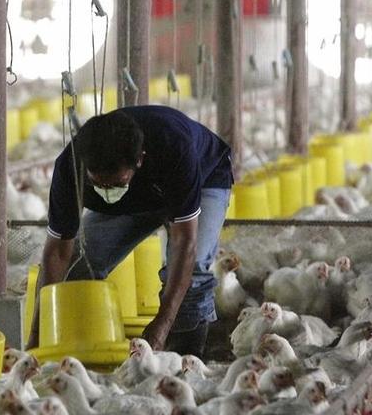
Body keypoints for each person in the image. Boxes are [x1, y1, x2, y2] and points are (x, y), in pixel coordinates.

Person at [26, 105, 233, 357]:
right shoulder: (70, 167)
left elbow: (185, 241)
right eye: (98, 183)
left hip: (204, 179)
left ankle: (186, 359)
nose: (107, 188)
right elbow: (57, 252)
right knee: (75, 267)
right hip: (136, 199)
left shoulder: (174, 146)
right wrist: (37, 337)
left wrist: (161, 325)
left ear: (140, 160)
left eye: (116, 183)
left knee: (195, 269)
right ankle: (81, 354)